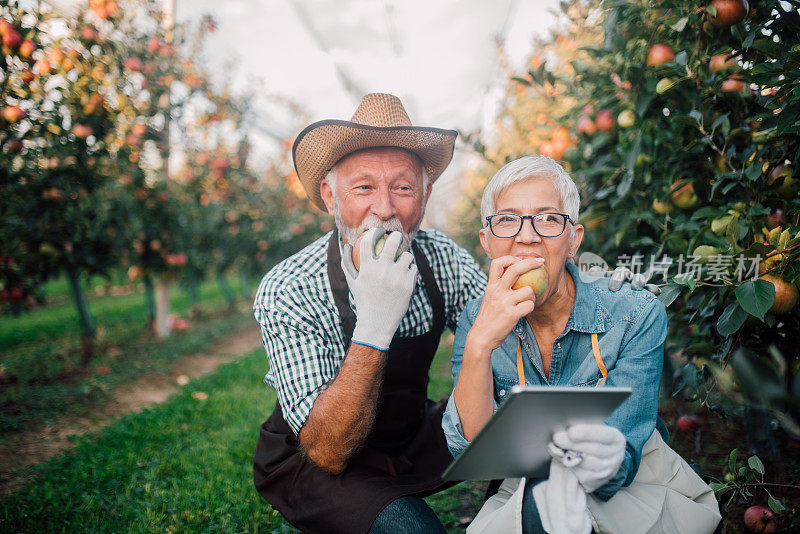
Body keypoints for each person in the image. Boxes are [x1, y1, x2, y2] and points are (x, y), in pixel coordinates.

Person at [442, 156, 721, 534]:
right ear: (487, 241)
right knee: (543, 493)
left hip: (631, 486)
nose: (527, 236)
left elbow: (621, 455)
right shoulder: (478, 320)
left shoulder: (634, 314)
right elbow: (470, 447)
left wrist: (589, 462)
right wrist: (480, 344)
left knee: (552, 491)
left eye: (548, 218)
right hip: (528, 487)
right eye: (507, 219)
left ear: (573, 240)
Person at [251, 93, 489, 534]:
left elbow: (503, 340)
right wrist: (376, 322)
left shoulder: (444, 261)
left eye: (403, 187)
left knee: (519, 442)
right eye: (363, 188)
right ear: (330, 196)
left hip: (409, 438)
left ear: (426, 195)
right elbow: (328, 451)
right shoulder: (290, 288)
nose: (384, 210)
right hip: (320, 454)